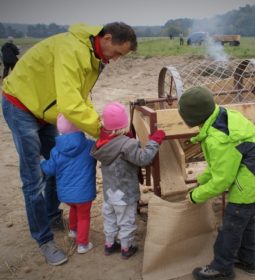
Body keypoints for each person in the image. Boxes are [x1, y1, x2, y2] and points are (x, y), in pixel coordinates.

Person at [1, 22, 137, 266]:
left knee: (59, 164)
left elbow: (80, 99)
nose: (116, 59)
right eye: (117, 53)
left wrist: (100, 127)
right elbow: (70, 104)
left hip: (46, 111)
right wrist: (102, 130)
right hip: (21, 105)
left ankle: (53, 216)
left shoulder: (94, 56)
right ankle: (45, 240)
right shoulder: (71, 50)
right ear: (106, 38)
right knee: (34, 178)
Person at [177, 86, 255, 280]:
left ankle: (222, 268)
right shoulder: (224, 116)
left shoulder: (218, 138)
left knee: (230, 228)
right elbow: (222, 165)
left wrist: (194, 196)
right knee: (246, 225)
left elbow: (222, 179)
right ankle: (248, 261)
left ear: (192, 118)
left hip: (248, 187)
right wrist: (201, 180)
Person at [91, 101, 165, 259]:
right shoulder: (127, 144)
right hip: (125, 193)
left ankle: (110, 244)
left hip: (109, 193)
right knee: (126, 220)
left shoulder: (101, 144)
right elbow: (143, 158)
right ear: (124, 125)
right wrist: (154, 142)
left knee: (110, 218)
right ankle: (126, 247)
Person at [41, 114, 96, 254]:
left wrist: (42, 162)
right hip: (84, 193)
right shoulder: (89, 146)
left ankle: (73, 230)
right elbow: (98, 156)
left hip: (65, 194)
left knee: (74, 208)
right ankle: (83, 244)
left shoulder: (56, 150)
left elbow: (49, 170)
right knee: (83, 216)